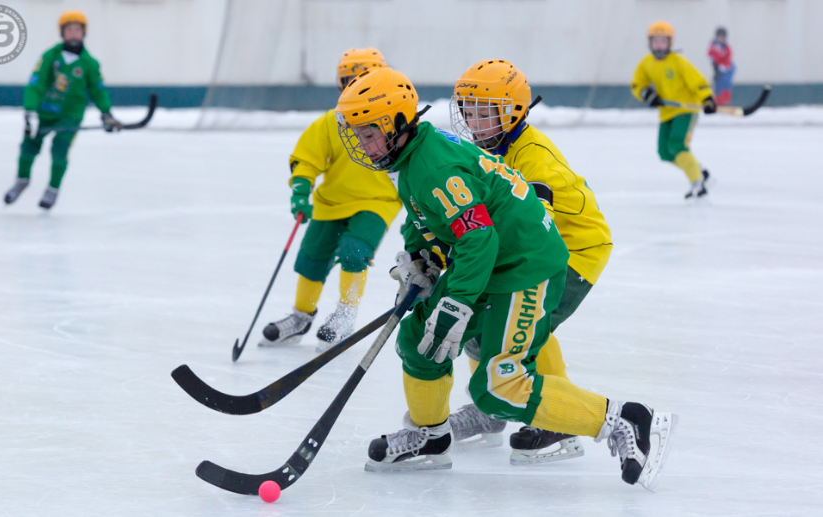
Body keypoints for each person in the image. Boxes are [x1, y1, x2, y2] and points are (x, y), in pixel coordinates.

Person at [334, 67, 677, 490]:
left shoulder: (434, 166)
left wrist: (456, 303)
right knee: (419, 339)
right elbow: (430, 216)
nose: (363, 146)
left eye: (369, 134)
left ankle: (628, 418)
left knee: (500, 384)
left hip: (524, 263)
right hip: (491, 257)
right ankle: (431, 436)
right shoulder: (413, 158)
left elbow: (478, 235)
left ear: (399, 125)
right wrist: (421, 256)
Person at [446, 59, 613, 464]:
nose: (476, 120)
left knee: (526, 323)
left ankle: (562, 421)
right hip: (526, 246)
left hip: (572, 250)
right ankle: (491, 409)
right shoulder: (485, 147)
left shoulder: (532, 154)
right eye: (469, 110)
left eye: (487, 112)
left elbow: (541, 219)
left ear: (514, 112)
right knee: (484, 320)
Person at [260, 48, 401, 353]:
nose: (355, 86)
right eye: (349, 80)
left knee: (355, 251)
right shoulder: (330, 123)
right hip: (332, 201)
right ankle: (301, 317)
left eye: (363, 79)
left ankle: (344, 316)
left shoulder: (393, 121)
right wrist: (300, 190)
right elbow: (307, 159)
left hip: (378, 201)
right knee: (312, 256)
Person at [4, 11, 121, 210]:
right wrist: (30, 110)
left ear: (84, 33)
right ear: (62, 33)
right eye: (69, 30)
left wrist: (106, 113)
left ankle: (53, 189)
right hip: (45, 111)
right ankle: (22, 180)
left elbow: (98, 90)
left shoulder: (89, 64)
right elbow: (36, 83)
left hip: (70, 115)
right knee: (29, 145)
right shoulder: (50, 56)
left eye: (78, 30)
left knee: (60, 148)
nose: (74, 34)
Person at [630, 21, 716, 199]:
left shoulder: (678, 62)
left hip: (685, 109)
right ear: (650, 43)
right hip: (666, 112)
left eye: (663, 41)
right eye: (655, 41)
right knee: (665, 152)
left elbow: (697, 81)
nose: (659, 44)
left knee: (677, 145)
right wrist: (646, 94)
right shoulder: (646, 63)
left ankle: (698, 184)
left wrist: (707, 99)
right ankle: (701, 172)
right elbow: (637, 84)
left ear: (670, 42)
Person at [708, 26, 735, 106]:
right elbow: (711, 55)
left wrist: (723, 67)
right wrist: (715, 65)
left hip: (726, 68)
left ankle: (725, 101)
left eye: (722, 37)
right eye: (719, 37)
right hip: (717, 68)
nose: (721, 39)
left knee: (725, 84)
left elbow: (728, 57)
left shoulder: (726, 47)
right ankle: (717, 100)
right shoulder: (713, 46)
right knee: (717, 84)